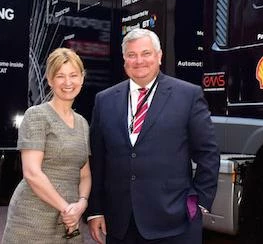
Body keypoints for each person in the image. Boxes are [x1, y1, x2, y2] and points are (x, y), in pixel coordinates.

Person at [87, 28, 220, 244]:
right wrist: (95, 210)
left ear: (159, 56)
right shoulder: (104, 100)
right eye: (132, 55)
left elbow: (208, 153)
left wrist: (199, 203)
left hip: (175, 223)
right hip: (121, 224)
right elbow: (98, 160)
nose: (139, 60)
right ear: (124, 60)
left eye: (146, 53)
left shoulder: (188, 95)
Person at [2, 48, 91, 243]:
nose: (68, 82)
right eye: (60, 76)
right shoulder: (36, 116)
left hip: (70, 219)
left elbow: (84, 173)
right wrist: (66, 209)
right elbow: (32, 173)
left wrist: (81, 205)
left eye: (73, 75)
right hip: (33, 217)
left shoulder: (83, 123)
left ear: (82, 78)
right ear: (50, 80)